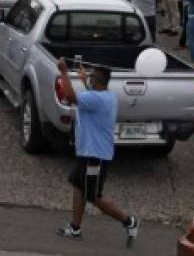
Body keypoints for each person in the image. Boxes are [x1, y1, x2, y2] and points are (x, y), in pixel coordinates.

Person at [55, 58, 139, 245]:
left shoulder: (96, 99)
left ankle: (129, 221)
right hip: (88, 152)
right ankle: (75, 229)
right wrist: (86, 80)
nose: (89, 78)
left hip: (95, 155)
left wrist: (63, 72)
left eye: (91, 76)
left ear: (96, 81)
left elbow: (70, 96)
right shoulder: (106, 96)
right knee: (78, 186)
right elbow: (90, 94)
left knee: (93, 195)